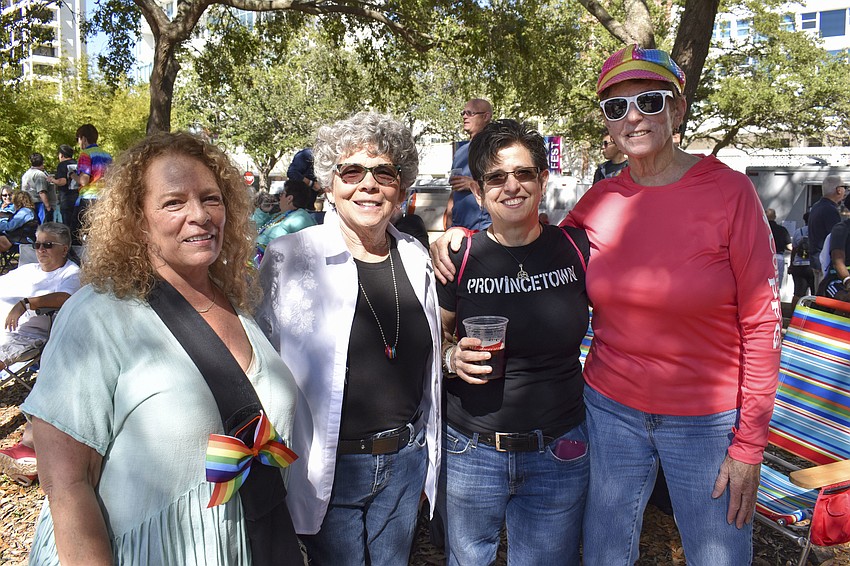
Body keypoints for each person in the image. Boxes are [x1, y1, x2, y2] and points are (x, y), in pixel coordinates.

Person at [432, 44, 781, 565]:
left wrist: (749, 442)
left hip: (706, 422)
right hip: (609, 413)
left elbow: (762, 322)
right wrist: (463, 235)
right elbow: (530, 239)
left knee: (720, 557)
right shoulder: (598, 203)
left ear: (678, 108)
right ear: (607, 124)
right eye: (617, 107)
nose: (634, 116)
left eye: (651, 100)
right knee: (603, 556)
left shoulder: (730, 193)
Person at [22, 131, 299, 565]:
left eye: (212, 198)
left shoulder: (240, 304)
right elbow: (67, 485)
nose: (200, 216)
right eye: (173, 203)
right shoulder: (98, 315)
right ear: (137, 220)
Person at [258, 112, 441, 566]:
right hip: (328, 466)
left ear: (401, 186)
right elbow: (258, 362)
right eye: (352, 171)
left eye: (384, 172)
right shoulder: (290, 258)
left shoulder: (416, 257)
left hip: (405, 460)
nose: (368, 184)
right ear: (328, 183)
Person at [438, 119, 590, 565]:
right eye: (497, 177)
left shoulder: (577, 248)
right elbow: (437, 335)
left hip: (559, 449)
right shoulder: (459, 255)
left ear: (543, 180)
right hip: (472, 449)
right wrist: (451, 356)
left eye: (524, 173)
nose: (512, 186)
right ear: (479, 190)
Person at [0, 222, 81, 486]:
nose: (40, 250)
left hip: (26, 337)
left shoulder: (70, 273)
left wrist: (27, 303)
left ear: (65, 248)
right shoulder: (25, 271)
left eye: (48, 245)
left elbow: (64, 298)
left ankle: (29, 447)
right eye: (37, 245)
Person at [445, 98, 493, 231]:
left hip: (484, 229)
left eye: (470, 113)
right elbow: (454, 189)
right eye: (463, 113)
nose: (465, 116)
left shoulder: (494, 148)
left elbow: (502, 187)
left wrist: (471, 184)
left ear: (486, 116)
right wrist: (449, 221)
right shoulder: (460, 151)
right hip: (457, 229)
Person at [254, 179, 317, 265]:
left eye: (282, 194)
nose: (279, 197)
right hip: (258, 257)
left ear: (289, 198)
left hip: (271, 263)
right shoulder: (280, 215)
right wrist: (263, 211)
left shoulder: (301, 218)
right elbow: (254, 227)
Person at [69, 123, 112, 244]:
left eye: (78, 139)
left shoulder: (86, 154)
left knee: (75, 234)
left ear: (83, 138)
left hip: (88, 198)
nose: (78, 142)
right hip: (104, 198)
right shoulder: (107, 155)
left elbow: (83, 180)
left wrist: (72, 175)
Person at [808, 175, 845, 282]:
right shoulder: (830, 210)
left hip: (816, 259)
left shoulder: (816, 206)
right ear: (838, 190)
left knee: (817, 295)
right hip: (825, 262)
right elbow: (836, 237)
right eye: (844, 187)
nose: (844, 191)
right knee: (824, 296)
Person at [47, 145, 78, 232]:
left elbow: (62, 181)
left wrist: (53, 180)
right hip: (78, 196)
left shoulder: (62, 165)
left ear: (61, 155)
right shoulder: (77, 163)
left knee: (67, 225)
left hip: (67, 198)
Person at [789, 210, 815, 306]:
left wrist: (791, 265)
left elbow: (794, 250)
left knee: (798, 294)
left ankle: (794, 315)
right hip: (812, 266)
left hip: (798, 266)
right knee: (814, 294)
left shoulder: (798, 232)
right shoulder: (817, 232)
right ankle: (812, 317)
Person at [21, 152, 55, 223]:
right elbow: (42, 192)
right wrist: (48, 207)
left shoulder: (26, 174)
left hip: (28, 205)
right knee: (43, 228)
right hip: (39, 205)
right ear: (42, 162)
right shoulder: (39, 174)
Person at [766, 208, 791, 292]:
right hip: (778, 257)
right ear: (775, 217)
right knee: (776, 283)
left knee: (762, 282)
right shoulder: (782, 230)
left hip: (762, 257)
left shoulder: (759, 229)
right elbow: (789, 246)